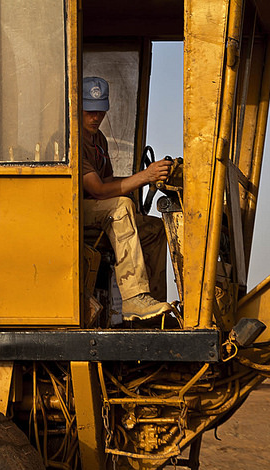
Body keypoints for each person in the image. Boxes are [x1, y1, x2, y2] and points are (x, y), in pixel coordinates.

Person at [81, 76, 172, 321]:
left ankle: (152, 303)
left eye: (100, 112)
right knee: (122, 207)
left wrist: (146, 176)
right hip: (73, 212)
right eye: (90, 111)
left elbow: (108, 181)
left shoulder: (97, 139)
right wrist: (144, 176)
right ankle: (134, 298)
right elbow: (98, 190)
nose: (95, 118)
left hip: (96, 207)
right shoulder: (73, 140)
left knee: (154, 228)